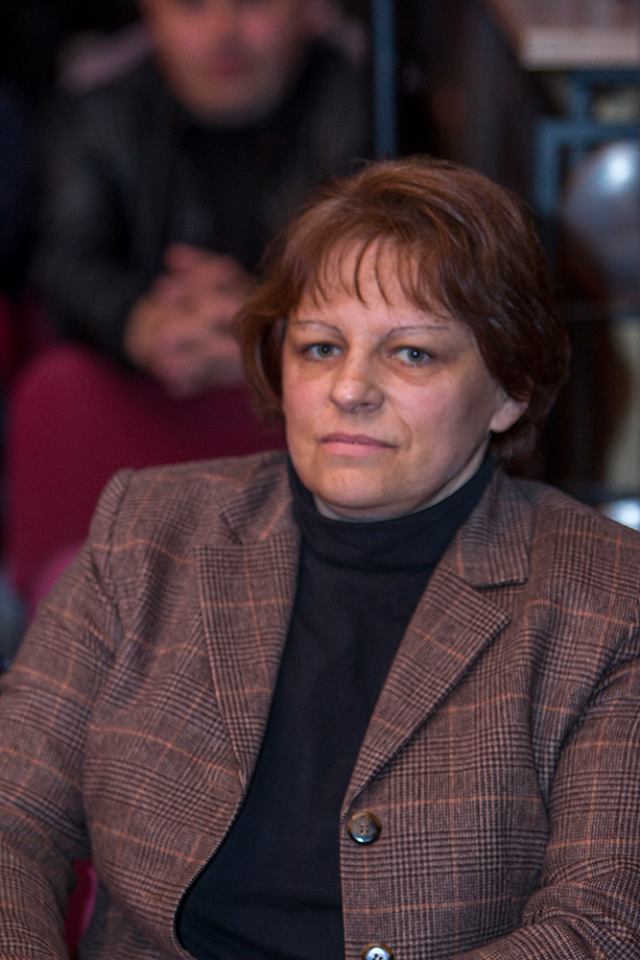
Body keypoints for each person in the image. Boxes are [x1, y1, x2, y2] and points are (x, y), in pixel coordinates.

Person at [1, 155, 639, 960]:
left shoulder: (606, 596)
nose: (350, 389)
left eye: (412, 354)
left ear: (509, 391)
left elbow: (600, 924)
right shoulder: (150, 531)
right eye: (320, 347)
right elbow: (13, 816)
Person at [32, 0, 368, 398]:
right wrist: (143, 323)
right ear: (149, 11)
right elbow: (61, 261)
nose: (223, 33)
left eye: (253, 2)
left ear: (306, 7)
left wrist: (270, 322)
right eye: (191, 4)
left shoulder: (373, 109)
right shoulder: (94, 116)